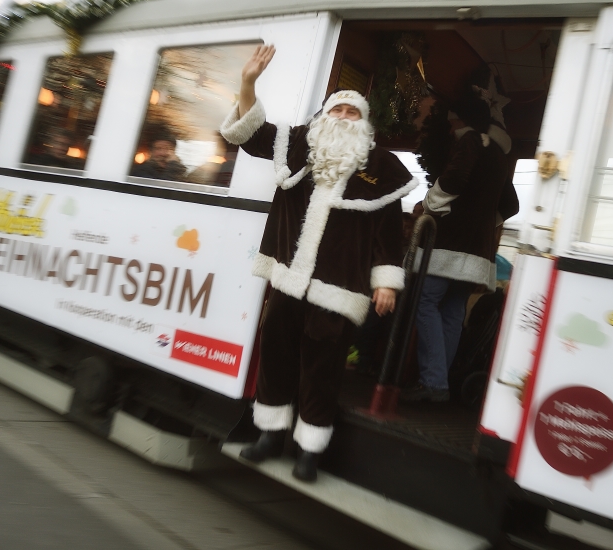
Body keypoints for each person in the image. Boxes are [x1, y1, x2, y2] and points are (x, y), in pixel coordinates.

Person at [220, 44, 416, 481]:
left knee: (323, 367)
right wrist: (248, 82)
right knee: (276, 355)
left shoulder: (382, 169)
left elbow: (388, 235)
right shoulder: (297, 146)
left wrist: (385, 282)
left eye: (353, 113)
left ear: (364, 125)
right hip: (288, 278)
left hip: (339, 286)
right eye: (338, 110)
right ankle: (269, 434)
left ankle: (311, 449)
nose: (344, 117)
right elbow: (248, 133)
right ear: (324, 117)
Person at [403, 74, 519, 403]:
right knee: (453, 312)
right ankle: (439, 383)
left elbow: (453, 180)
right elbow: (511, 205)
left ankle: (433, 384)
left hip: (449, 243)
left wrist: (428, 206)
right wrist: (483, 222)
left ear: (461, 119)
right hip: (477, 250)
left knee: (425, 303)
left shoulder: (470, 141)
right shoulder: (498, 155)